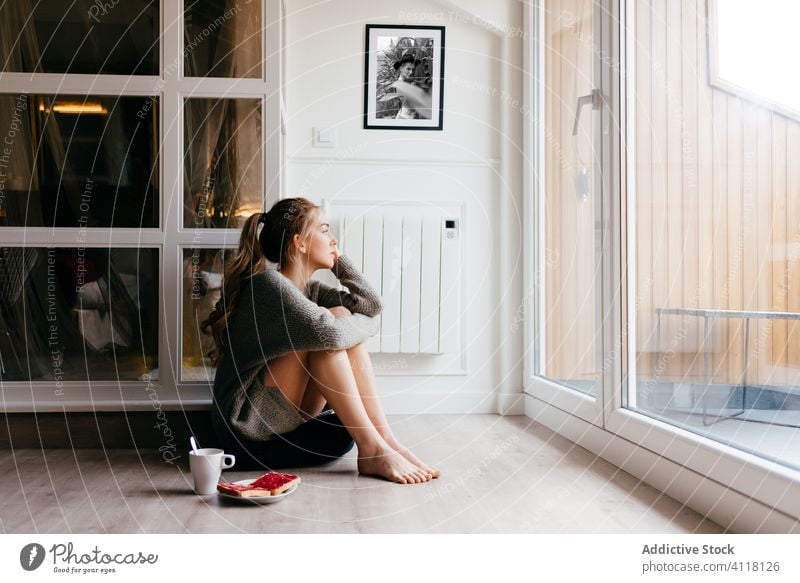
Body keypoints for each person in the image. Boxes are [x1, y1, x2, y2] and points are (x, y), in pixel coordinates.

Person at [201, 197, 440, 484]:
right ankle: (372, 448)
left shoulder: (312, 289)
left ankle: (386, 440)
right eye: (325, 230)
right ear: (299, 242)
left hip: (285, 415)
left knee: (337, 314)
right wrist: (359, 326)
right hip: (247, 422)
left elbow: (371, 306)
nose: (333, 239)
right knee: (331, 324)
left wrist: (340, 264)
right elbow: (333, 334)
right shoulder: (267, 285)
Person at [380, 53, 433, 119]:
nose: (411, 72)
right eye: (408, 69)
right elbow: (414, 105)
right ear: (401, 68)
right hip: (405, 118)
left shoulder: (407, 81)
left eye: (413, 69)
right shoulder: (400, 85)